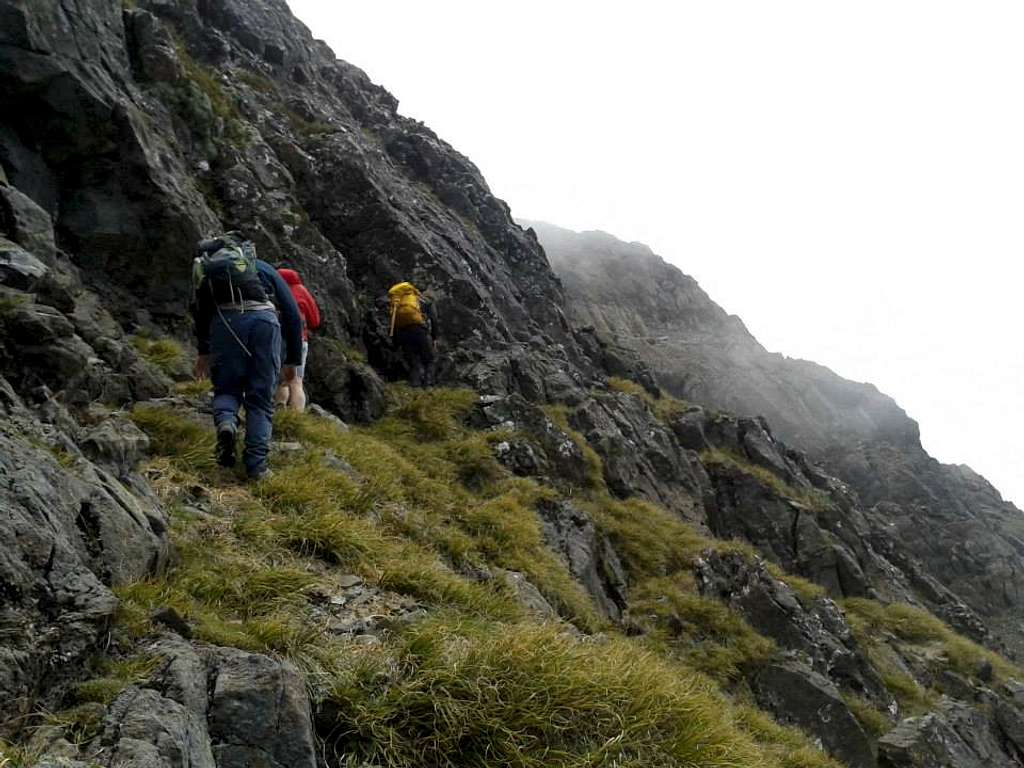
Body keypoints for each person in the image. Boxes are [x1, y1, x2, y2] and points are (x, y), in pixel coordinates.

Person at [190, 232, 303, 480]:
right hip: (264, 324)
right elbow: (293, 314)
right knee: (260, 399)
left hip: (224, 325)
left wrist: (204, 352)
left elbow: (200, 314)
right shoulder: (261, 268)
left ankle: (228, 422)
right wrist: (293, 360)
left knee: (226, 390)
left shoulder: (209, 274)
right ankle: (256, 468)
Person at [274, 267, 320, 412]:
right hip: (299, 339)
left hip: (276, 338)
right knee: (296, 381)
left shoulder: (274, 289)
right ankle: (296, 418)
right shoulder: (301, 290)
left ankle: (280, 406)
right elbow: (315, 320)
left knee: (279, 379)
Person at [387, 281, 438, 388]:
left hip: (402, 332)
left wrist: (395, 342)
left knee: (413, 362)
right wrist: (434, 338)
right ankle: (429, 387)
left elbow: (393, 319)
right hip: (419, 331)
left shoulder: (400, 300)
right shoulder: (426, 301)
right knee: (430, 359)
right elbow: (434, 320)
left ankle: (415, 387)